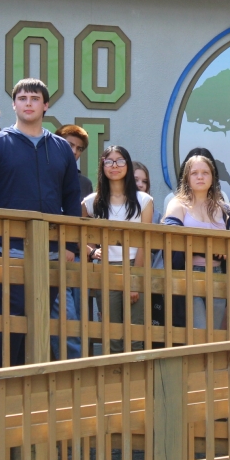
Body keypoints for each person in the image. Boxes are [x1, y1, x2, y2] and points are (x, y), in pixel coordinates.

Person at [0, 78, 82, 367]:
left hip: (51, 251)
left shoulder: (60, 148)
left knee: (48, 320)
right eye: (22, 98)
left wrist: (69, 245)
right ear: (14, 104)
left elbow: (72, 199)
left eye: (35, 98)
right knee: (13, 317)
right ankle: (2, 384)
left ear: (46, 105)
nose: (29, 103)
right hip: (8, 248)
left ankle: (36, 389)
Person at [83, 145, 152, 352]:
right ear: (102, 166)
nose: (115, 166)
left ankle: (137, 383)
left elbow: (144, 242)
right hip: (106, 269)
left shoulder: (144, 200)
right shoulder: (91, 201)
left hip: (135, 267)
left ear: (128, 165)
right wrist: (92, 251)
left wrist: (134, 281)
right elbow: (77, 236)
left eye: (120, 160)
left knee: (135, 336)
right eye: (109, 161)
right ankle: (114, 382)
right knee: (111, 336)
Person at [163, 155, 230, 331]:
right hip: (190, 274)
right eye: (194, 173)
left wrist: (226, 247)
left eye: (205, 172)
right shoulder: (178, 204)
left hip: (218, 275)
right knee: (199, 331)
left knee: (214, 333)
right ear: (187, 177)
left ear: (212, 177)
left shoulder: (222, 207)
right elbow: (172, 231)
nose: (200, 177)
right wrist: (209, 247)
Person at [57, 124, 94, 201]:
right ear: (56, 145)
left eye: (79, 149)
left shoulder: (85, 183)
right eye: (70, 145)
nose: (74, 151)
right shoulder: (42, 175)